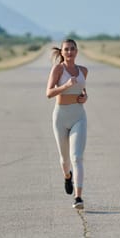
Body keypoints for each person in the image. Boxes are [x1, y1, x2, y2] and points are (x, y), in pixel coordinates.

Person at [46, 39, 88, 209]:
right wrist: (65, 85)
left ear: (76, 51)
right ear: (62, 52)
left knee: (76, 157)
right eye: (66, 50)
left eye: (72, 49)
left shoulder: (83, 71)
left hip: (79, 115)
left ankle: (78, 198)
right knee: (65, 160)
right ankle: (67, 176)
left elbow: (82, 90)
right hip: (61, 116)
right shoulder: (58, 69)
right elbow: (49, 93)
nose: (69, 52)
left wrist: (85, 97)